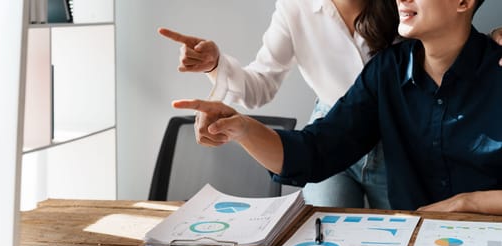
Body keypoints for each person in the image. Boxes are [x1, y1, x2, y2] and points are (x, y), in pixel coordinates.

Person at [171, 0, 502, 215]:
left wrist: (467, 203)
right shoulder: (387, 72)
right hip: (413, 241)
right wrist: (242, 127)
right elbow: (315, 151)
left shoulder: (494, 70)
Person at [159, 0, 400, 209]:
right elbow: (260, 85)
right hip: (328, 137)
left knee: (405, 233)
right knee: (324, 234)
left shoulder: (407, 7)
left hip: (395, 132)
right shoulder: (296, 7)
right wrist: (216, 65)